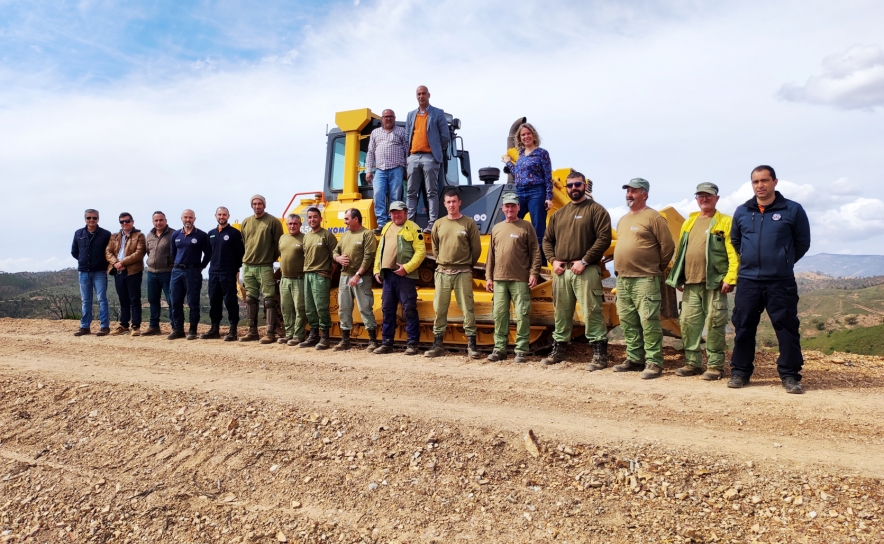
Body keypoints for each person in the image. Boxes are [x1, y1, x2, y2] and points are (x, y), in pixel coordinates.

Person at [729, 165, 811, 394]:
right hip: (748, 280)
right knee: (743, 327)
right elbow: (736, 241)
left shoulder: (792, 209)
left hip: (780, 281)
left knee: (786, 328)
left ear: (775, 182)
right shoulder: (743, 211)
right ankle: (740, 373)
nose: (760, 185)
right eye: (755, 182)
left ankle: (790, 376)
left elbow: (802, 242)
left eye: (764, 180)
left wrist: (784, 261)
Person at [665, 183, 739, 381]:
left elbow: (733, 251)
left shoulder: (725, 221)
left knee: (715, 323)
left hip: (714, 283)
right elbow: (681, 252)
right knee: (688, 323)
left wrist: (731, 277)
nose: (704, 199)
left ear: (716, 198)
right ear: (696, 198)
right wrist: (678, 276)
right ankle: (692, 363)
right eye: (700, 195)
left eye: (708, 195)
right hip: (690, 282)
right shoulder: (689, 223)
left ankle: (715, 366)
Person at [540, 171, 613, 368]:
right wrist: (553, 261)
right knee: (561, 312)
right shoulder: (559, 215)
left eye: (577, 185)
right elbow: (547, 240)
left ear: (584, 186)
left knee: (591, 311)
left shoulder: (596, 210)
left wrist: (585, 260)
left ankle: (599, 355)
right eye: (570, 185)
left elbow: (604, 238)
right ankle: (558, 351)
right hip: (562, 271)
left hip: (585, 269)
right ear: (565, 187)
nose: (574, 188)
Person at [612, 178, 675, 379]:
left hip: (645, 279)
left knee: (648, 320)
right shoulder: (623, 220)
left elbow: (668, 247)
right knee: (628, 320)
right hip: (623, 279)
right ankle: (634, 358)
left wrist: (655, 268)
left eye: (634, 191)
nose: (629, 194)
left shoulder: (653, 218)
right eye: (628, 191)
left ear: (645, 194)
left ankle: (654, 362)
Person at [425, 189, 482, 359]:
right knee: (440, 309)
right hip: (442, 272)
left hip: (463, 272)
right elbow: (435, 248)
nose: (451, 205)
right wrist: (443, 260)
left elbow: (476, 249)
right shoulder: (439, 224)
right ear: (444, 204)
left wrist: (466, 264)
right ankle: (437, 345)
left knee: (467, 309)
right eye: (448, 202)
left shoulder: (468, 223)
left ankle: (471, 346)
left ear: (459, 203)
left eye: (454, 202)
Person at [485, 194, 542, 363]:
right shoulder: (497, 228)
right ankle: (499, 349)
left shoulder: (526, 227)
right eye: (507, 206)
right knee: (499, 314)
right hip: (499, 279)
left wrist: (533, 273)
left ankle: (521, 350)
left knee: (522, 314)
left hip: (520, 279)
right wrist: (489, 277)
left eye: (513, 206)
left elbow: (535, 252)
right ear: (502, 208)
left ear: (518, 208)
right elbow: (490, 256)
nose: (510, 209)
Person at [372, 201, 426, 355]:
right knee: (387, 309)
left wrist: (407, 268)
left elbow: (420, 252)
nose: (396, 215)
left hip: (405, 276)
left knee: (409, 309)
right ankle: (387, 343)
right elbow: (379, 251)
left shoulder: (414, 228)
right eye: (393, 212)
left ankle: (412, 344)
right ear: (390, 214)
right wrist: (377, 270)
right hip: (388, 276)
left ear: (406, 212)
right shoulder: (386, 227)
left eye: (399, 212)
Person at [405, 85, 450, 234]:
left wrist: (435, 150)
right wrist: (409, 156)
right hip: (413, 156)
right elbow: (407, 137)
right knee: (411, 192)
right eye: (418, 94)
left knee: (431, 192)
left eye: (423, 93)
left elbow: (445, 137)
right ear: (416, 96)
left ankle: (432, 224)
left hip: (430, 157)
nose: (421, 96)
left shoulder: (437, 113)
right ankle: (409, 224)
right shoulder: (411, 115)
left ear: (428, 95)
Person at [240, 195, 284, 343]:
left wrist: (270, 259)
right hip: (248, 266)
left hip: (265, 266)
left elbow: (279, 244)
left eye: (259, 204)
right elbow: (244, 243)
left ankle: (270, 333)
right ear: (251, 205)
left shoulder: (273, 222)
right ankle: (252, 331)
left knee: (269, 300)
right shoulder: (246, 222)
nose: (257, 206)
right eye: (254, 203)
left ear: (264, 205)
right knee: (251, 299)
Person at [332, 208, 378, 351]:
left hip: (361, 277)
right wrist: (338, 258)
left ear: (356, 219)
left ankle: (372, 341)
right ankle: (345, 340)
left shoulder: (367, 234)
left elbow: (369, 256)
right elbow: (335, 251)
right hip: (344, 276)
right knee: (344, 308)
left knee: (365, 307)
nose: (345, 222)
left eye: (347, 219)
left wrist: (358, 274)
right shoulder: (345, 235)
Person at [503, 122, 553, 250]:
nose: (526, 137)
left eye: (528, 133)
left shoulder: (542, 153)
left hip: (536, 191)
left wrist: (549, 197)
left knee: (538, 226)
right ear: (520, 138)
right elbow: (517, 174)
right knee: (511, 219)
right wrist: (509, 163)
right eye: (523, 135)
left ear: (533, 135)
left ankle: (540, 261)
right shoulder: (520, 154)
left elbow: (548, 176)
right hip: (520, 191)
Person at [297, 207, 338, 350]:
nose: (312, 219)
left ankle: (325, 337)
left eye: (315, 217)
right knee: (309, 308)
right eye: (309, 217)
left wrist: (329, 273)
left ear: (320, 219)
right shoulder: (306, 237)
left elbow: (335, 256)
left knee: (321, 307)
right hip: (307, 274)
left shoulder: (327, 235)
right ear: (306, 220)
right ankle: (313, 335)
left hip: (321, 275)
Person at [202, 207, 245, 341]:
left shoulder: (234, 233)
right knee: (214, 301)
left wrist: (236, 268)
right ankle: (214, 329)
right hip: (213, 272)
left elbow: (240, 253)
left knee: (230, 301)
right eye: (219, 214)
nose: (222, 217)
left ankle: (233, 330)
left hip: (228, 272)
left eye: (224, 215)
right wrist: (202, 266)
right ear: (215, 216)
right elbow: (208, 254)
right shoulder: (211, 233)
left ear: (228, 216)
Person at [168, 209, 211, 340]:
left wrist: (201, 267)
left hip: (193, 272)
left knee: (193, 302)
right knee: (175, 301)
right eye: (185, 217)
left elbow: (208, 254)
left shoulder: (201, 235)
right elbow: (173, 253)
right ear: (181, 218)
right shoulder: (176, 235)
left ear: (194, 219)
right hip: (176, 272)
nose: (188, 220)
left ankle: (192, 330)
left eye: (190, 217)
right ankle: (178, 329)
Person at [366, 109, 408, 234]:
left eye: (391, 116)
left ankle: (393, 222)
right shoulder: (375, 133)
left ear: (394, 118)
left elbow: (407, 151)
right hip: (380, 169)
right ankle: (381, 223)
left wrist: (406, 169)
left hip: (397, 168)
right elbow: (370, 152)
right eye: (386, 117)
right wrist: (368, 170)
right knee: (378, 194)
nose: (388, 118)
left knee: (395, 197)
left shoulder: (401, 131)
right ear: (382, 119)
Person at [71, 209, 112, 336]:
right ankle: (85, 327)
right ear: (85, 219)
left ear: (98, 219)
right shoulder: (78, 233)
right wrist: (85, 261)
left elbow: (109, 251)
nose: (91, 220)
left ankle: (104, 327)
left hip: (99, 272)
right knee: (86, 300)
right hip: (84, 272)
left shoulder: (106, 234)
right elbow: (74, 251)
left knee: (102, 299)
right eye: (89, 218)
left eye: (94, 218)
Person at [105, 213, 146, 336]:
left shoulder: (139, 235)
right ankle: (123, 325)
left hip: (133, 271)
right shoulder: (114, 236)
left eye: (127, 221)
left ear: (132, 222)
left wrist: (123, 262)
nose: (124, 223)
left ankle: (135, 326)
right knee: (123, 300)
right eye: (122, 222)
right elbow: (108, 251)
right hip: (118, 271)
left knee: (134, 299)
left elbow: (139, 253)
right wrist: (116, 263)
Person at [144, 211, 175, 336]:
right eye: (156, 220)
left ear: (165, 220)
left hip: (168, 273)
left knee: (171, 300)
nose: (158, 222)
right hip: (151, 273)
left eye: (161, 220)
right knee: (153, 300)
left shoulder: (173, 234)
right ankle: (154, 326)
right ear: (153, 222)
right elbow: (148, 251)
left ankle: (175, 326)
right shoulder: (150, 235)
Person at [278, 213, 307, 346]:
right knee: (286, 308)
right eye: (290, 223)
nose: (292, 226)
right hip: (284, 279)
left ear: (300, 225)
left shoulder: (305, 239)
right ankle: (289, 334)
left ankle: (298, 335)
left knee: (299, 308)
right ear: (287, 224)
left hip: (299, 279)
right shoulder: (282, 238)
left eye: (295, 223)